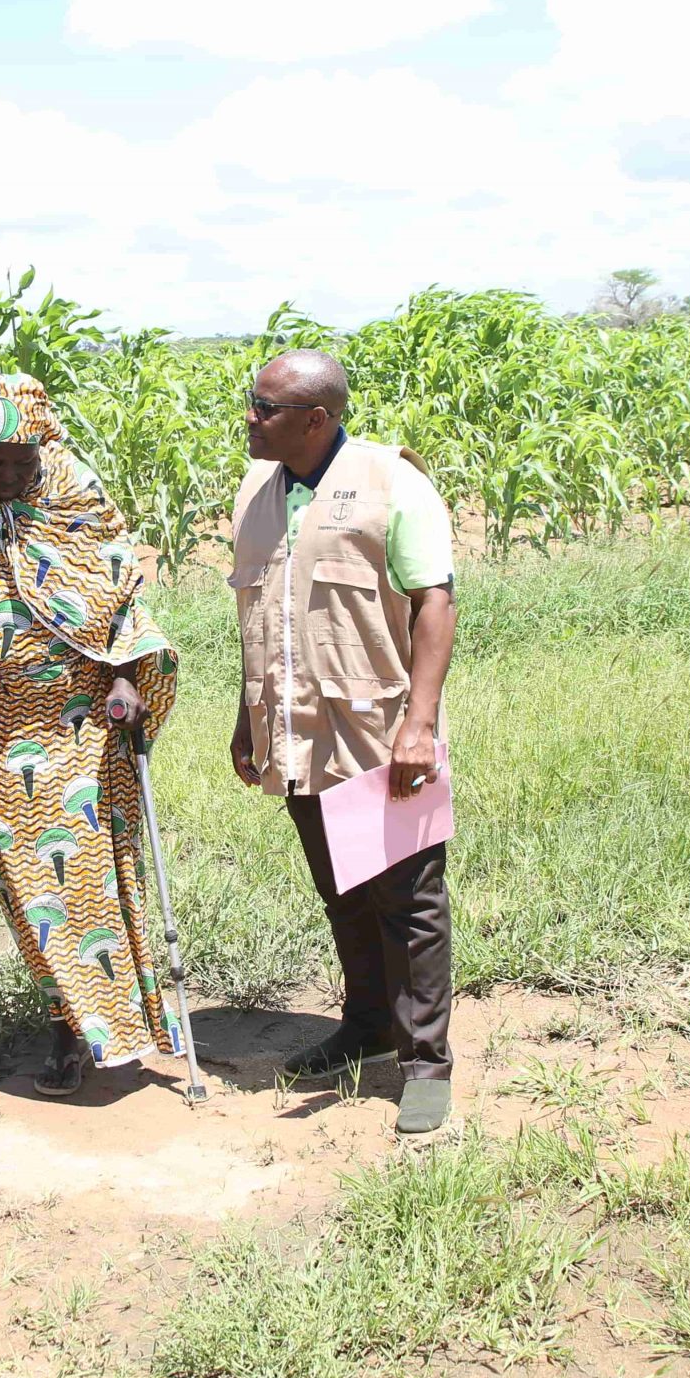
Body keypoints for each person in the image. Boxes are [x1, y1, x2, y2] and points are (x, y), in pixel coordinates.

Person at [0, 373, 183, 1094]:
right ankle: (69, 1018)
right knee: (32, 886)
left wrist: (127, 676)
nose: (3, 474)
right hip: (3, 724)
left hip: (89, 716)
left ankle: (102, 1029)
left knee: (100, 879)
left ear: (45, 444)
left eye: (18, 459)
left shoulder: (76, 489)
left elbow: (124, 588)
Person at [228, 349, 459, 1136]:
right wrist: (244, 716)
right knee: (342, 888)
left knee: (409, 897)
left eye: (265, 407)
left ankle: (426, 1060)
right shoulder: (257, 492)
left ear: (316, 419)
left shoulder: (393, 482)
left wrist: (420, 722)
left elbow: (434, 602)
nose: (250, 419)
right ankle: (368, 1024)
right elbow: (262, 618)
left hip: (377, 728)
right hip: (295, 730)